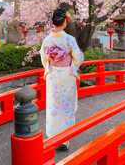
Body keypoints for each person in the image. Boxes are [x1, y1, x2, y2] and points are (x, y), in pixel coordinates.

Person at [39, 8, 84, 150]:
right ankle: (64, 140)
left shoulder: (47, 40)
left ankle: (52, 137)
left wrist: (52, 62)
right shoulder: (69, 39)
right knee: (66, 106)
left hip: (52, 75)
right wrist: (73, 65)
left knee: (53, 105)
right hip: (66, 75)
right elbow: (78, 57)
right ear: (64, 22)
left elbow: (43, 59)